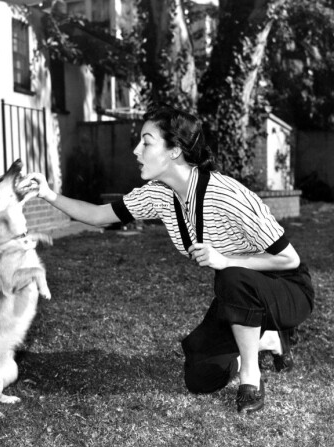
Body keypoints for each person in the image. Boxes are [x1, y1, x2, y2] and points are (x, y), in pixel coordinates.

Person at [29, 103, 314, 414]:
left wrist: (225, 259)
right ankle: (272, 339)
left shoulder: (227, 195)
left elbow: (289, 259)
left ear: (175, 150)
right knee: (200, 376)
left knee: (230, 275)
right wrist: (47, 194)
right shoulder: (159, 194)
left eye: (146, 142)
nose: (137, 150)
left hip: (286, 288)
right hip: (240, 296)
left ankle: (251, 376)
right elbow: (99, 216)